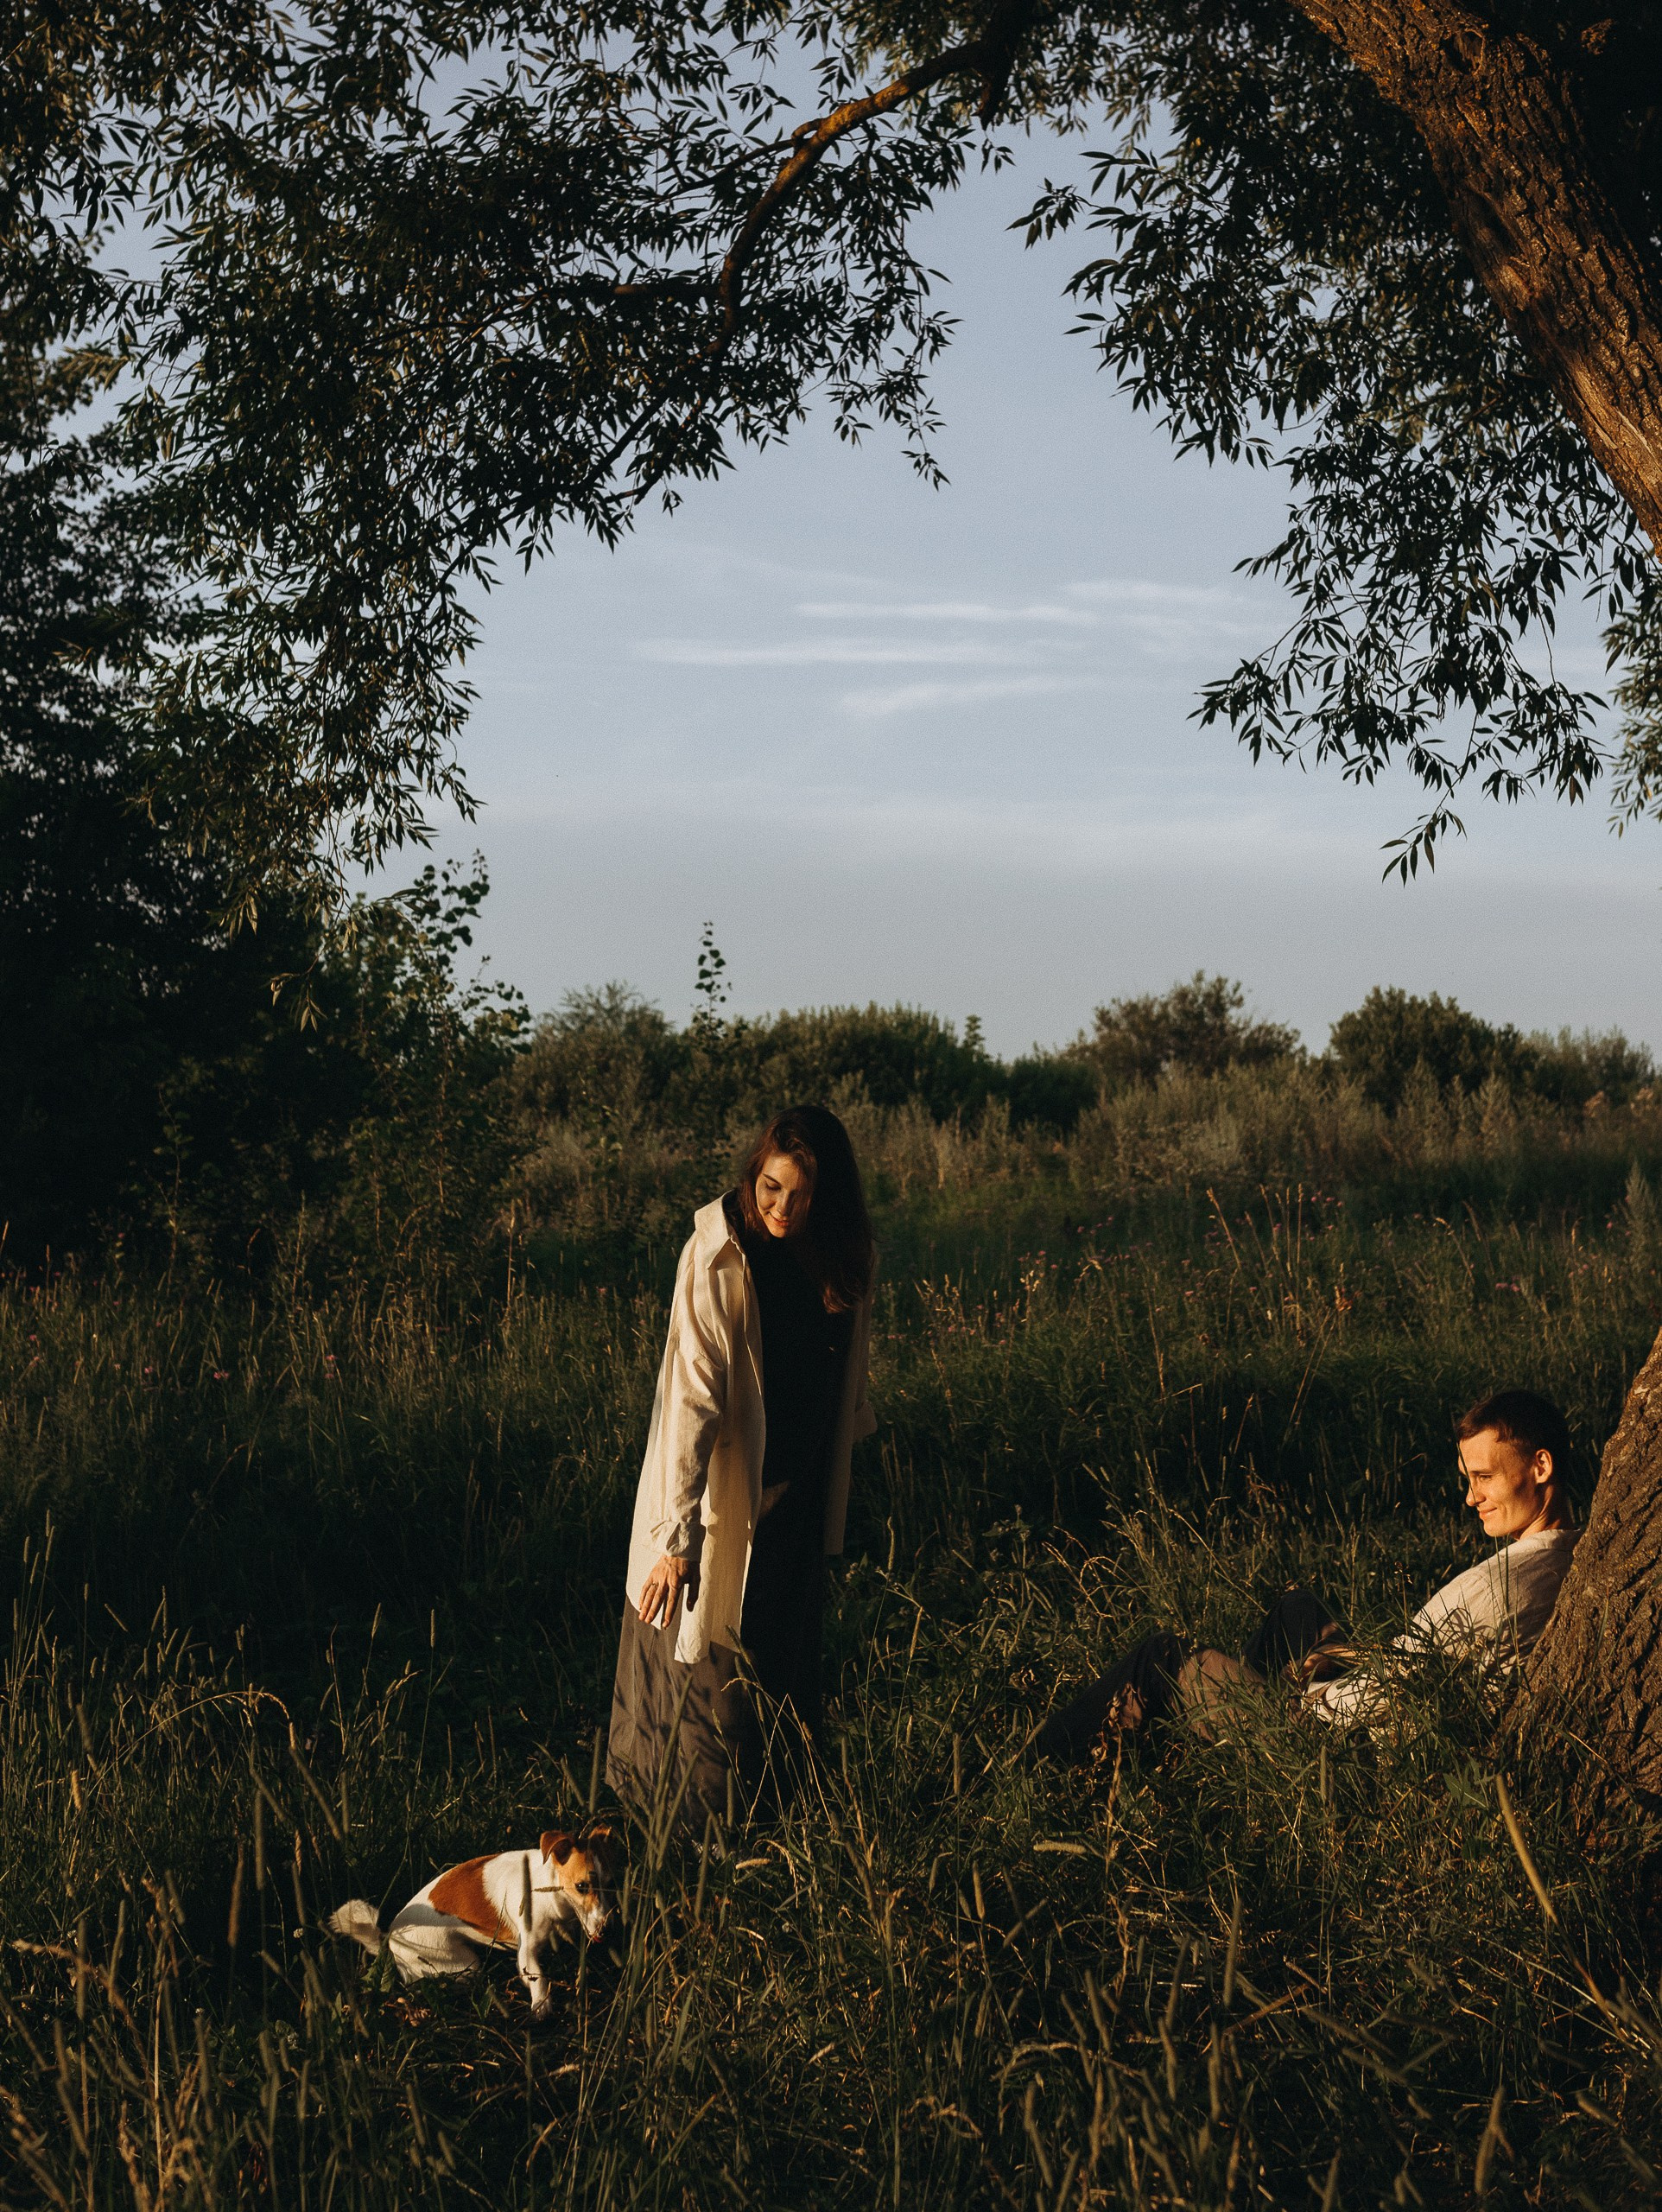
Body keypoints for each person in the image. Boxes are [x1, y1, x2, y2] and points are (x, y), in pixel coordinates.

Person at [1033, 1389, 1579, 1761]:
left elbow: (1403, 1685)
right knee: (1299, 1611)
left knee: (1161, 1657)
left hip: (1334, 1740)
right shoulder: (1569, 1554)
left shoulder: (1500, 1585)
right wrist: (1344, 1658)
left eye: (1484, 1477)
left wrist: (1310, 1696)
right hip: (1373, 1693)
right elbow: (1428, 1661)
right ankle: (1206, 1736)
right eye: (1467, 1478)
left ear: (1540, 1466)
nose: (1471, 1497)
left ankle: (1039, 1765)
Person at [606, 1104, 877, 1830]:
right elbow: (693, 1399)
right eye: (770, 1189)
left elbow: (844, 1370)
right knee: (709, 1661)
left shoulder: (839, 1252)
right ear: (753, 1176)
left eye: (803, 1194)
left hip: (799, 1490)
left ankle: (784, 1824)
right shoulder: (719, 1256)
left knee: (784, 1663)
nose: (784, 1208)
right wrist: (675, 1537)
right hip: (724, 1495)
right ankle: (691, 1836)